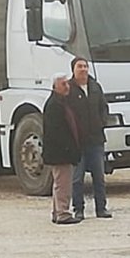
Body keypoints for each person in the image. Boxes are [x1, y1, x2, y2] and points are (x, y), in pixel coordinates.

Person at [68, 57, 112, 220]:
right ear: (73, 70)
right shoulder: (69, 89)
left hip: (96, 141)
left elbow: (104, 108)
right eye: (80, 66)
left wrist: (102, 122)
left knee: (99, 177)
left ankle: (101, 208)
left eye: (85, 66)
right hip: (78, 143)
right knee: (77, 179)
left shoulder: (95, 87)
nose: (83, 69)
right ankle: (78, 210)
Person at [42, 72, 82, 225]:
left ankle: (56, 212)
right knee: (63, 184)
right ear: (55, 87)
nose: (67, 87)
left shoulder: (61, 102)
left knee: (59, 182)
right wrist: (68, 150)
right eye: (63, 84)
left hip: (61, 152)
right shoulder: (54, 105)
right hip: (60, 153)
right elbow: (57, 132)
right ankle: (63, 213)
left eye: (67, 83)